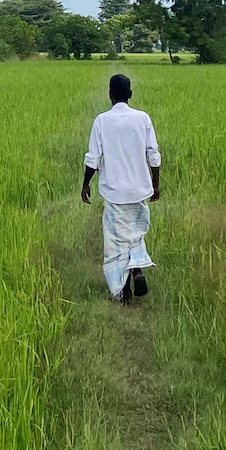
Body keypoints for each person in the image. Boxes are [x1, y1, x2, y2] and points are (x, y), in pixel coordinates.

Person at [81, 73, 161, 304]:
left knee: (116, 240)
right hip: (139, 189)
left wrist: (86, 184)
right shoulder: (143, 118)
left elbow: (93, 158)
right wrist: (155, 183)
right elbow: (153, 154)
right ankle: (136, 269)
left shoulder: (101, 121)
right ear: (130, 95)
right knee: (135, 232)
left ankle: (122, 289)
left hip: (114, 191)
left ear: (110, 95)